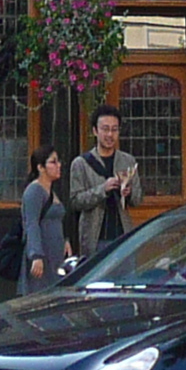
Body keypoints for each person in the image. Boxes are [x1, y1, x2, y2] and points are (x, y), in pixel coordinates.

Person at [65, 106, 141, 261]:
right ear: (95, 131)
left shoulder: (128, 161)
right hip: (95, 239)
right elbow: (75, 201)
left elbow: (138, 199)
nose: (110, 135)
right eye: (105, 129)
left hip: (124, 237)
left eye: (114, 130)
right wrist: (103, 190)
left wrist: (129, 193)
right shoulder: (81, 164)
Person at [20, 146, 68, 290]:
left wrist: (65, 240)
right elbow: (31, 224)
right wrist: (36, 255)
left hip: (55, 255)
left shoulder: (51, 191)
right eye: (53, 162)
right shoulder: (34, 191)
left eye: (58, 161)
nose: (58, 165)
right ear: (40, 167)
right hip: (43, 255)